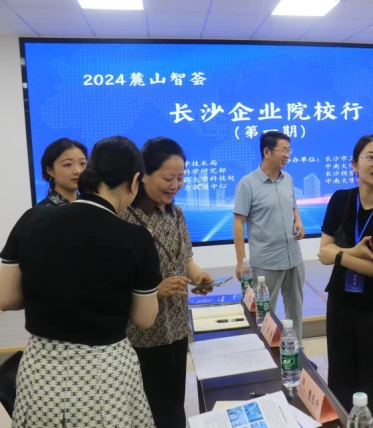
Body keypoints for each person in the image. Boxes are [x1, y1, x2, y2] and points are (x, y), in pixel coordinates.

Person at [0, 136, 160, 427]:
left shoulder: (31, 219)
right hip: (105, 374)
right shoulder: (136, 238)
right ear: (135, 181)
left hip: (41, 371)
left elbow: (6, 298)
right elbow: (144, 318)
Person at [120, 136, 215, 428]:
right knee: (152, 411)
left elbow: (185, 260)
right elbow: (116, 283)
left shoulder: (176, 213)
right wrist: (156, 292)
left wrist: (199, 276)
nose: (175, 185)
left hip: (176, 328)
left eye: (180, 178)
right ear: (143, 175)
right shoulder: (125, 218)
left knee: (174, 404)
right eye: (168, 178)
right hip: (143, 336)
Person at [318, 134, 373, 427]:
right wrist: (356, 253)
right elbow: (322, 251)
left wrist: (341, 255)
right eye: (370, 157)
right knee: (341, 380)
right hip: (341, 306)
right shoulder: (340, 200)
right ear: (354, 164)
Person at [234, 131, 305, 342]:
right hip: (266, 262)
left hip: (293, 257)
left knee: (295, 311)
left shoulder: (287, 179)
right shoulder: (247, 184)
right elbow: (238, 223)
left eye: (289, 150)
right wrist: (241, 262)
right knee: (264, 315)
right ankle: (265, 354)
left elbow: (293, 206)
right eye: (283, 150)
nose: (287, 155)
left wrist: (298, 220)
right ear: (267, 152)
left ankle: (297, 351)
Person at [37, 137, 88, 206]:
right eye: (68, 164)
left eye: (82, 163)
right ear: (50, 170)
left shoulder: (91, 206)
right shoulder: (43, 210)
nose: (78, 171)